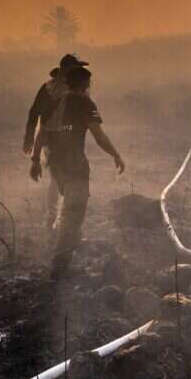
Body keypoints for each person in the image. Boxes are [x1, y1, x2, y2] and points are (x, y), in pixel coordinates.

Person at [30, 65, 125, 279]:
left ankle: (72, 243)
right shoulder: (84, 103)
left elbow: (41, 134)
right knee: (72, 214)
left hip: (56, 166)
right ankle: (60, 267)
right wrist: (116, 155)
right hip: (75, 167)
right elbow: (99, 136)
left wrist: (36, 161)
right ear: (85, 85)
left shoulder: (53, 103)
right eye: (89, 85)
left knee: (71, 209)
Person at [23, 53, 89, 224]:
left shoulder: (77, 87)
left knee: (66, 176)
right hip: (52, 137)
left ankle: (60, 217)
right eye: (76, 68)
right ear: (66, 70)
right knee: (57, 176)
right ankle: (54, 216)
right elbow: (35, 112)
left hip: (70, 139)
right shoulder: (49, 88)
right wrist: (29, 136)